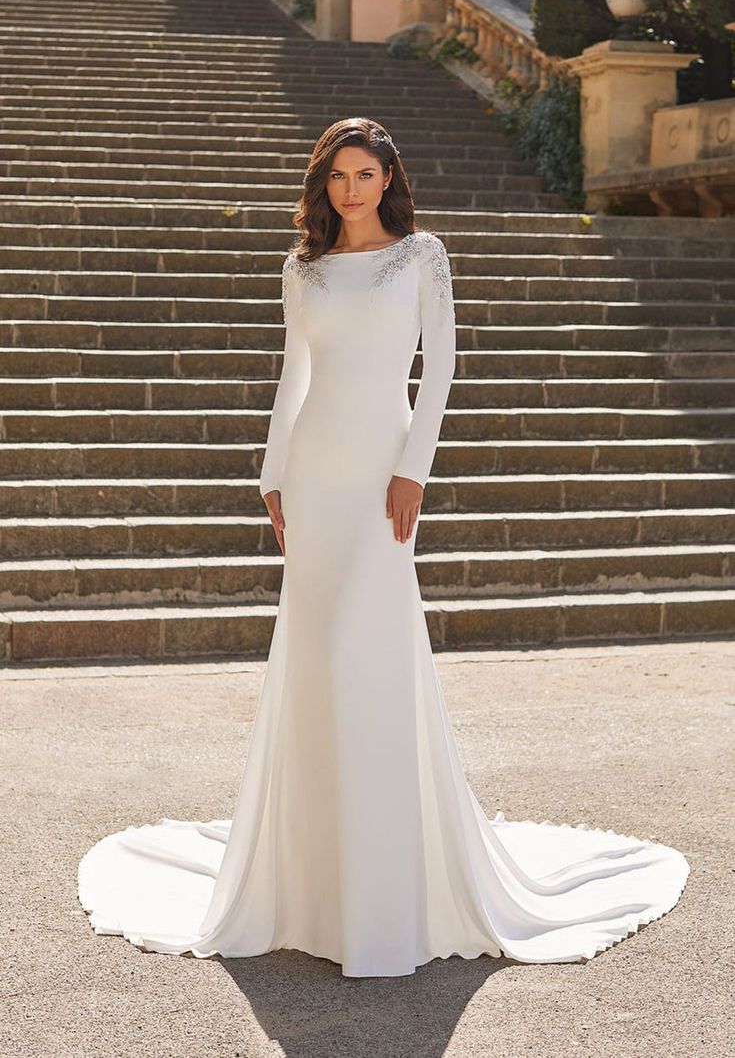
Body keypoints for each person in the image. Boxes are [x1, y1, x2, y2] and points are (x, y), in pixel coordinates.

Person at [78, 117, 690, 977]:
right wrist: (270, 475)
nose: (351, 189)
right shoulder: (302, 266)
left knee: (368, 657)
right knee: (317, 659)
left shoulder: (421, 256)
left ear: (389, 177)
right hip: (314, 474)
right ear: (322, 183)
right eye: (337, 176)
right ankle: (313, 889)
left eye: (365, 174)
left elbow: (437, 366)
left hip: (380, 474)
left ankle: (384, 892)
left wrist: (413, 470)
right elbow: (295, 372)